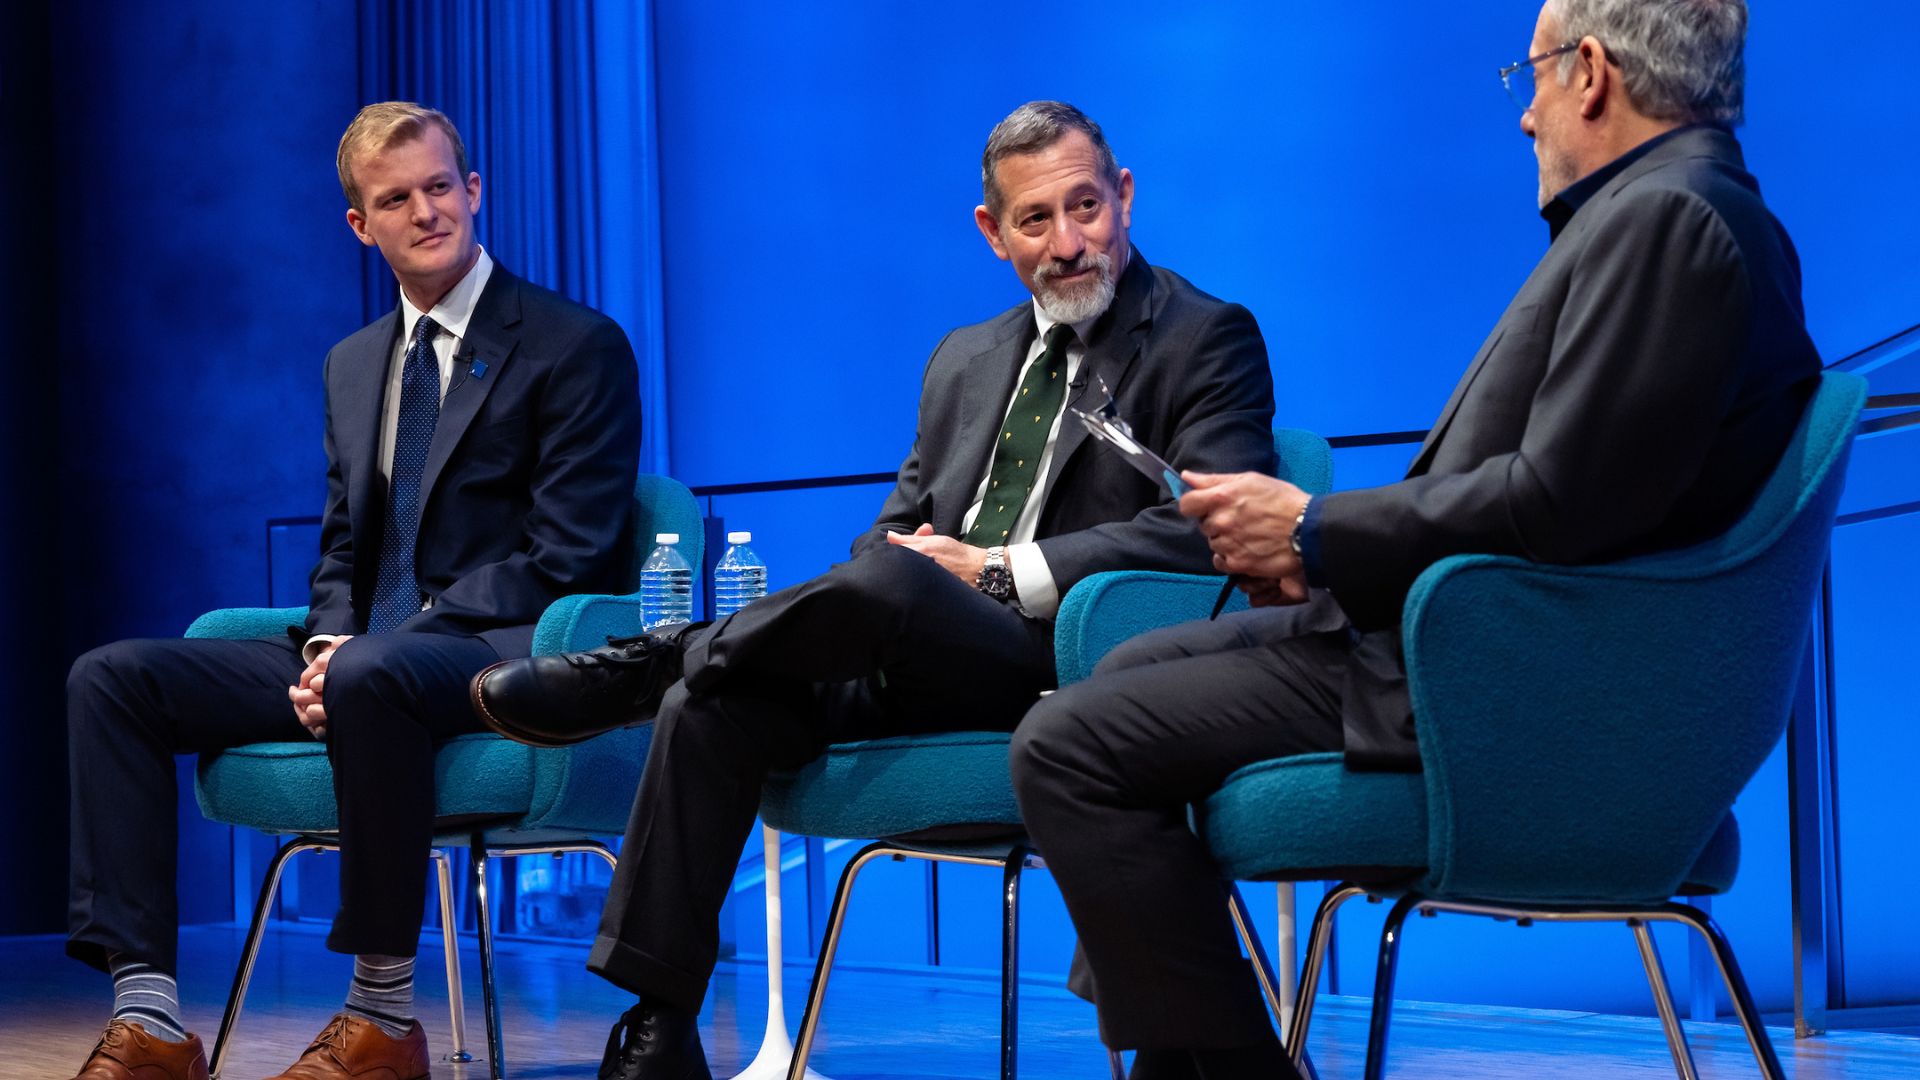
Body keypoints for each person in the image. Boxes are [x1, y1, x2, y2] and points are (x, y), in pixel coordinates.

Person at [1010, 1, 1820, 1076]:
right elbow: (1565, 496)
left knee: (1072, 743)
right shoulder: (1673, 211)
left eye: (1528, 78)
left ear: (1589, 73)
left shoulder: (1674, 220)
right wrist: (1315, 553)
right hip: (1482, 646)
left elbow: (1557, 504)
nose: (1526, 116)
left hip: (1496, 685)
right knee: (1126, 669)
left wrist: (1312, 527)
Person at [470, 100, 1277, 1080]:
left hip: (1059, 663)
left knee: (879, 586)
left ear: (1126, 197)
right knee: (712, 701)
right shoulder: (964, 361)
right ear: (993, 233)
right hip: (907, 644)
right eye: (1036, 220)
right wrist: (909, 571)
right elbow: (886, 537)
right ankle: (658, 1029)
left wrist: (990, 572)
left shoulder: (1206, 337)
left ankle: (650, 659)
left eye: (1087, 208)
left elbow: (1211, 526)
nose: (1069, 243)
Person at [65, 102, 641, 1080]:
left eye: (439, 187)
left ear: (474, 190)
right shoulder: (353, 364)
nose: (425, 211)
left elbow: (570, 553)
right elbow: (343, 549)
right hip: (362, 657)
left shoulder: (573, 345)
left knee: (376, 669)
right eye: (395, 199)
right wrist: (328, 644)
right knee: (111, 678)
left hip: (500, 648)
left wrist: (383, 644)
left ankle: (382, 1018)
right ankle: (151, 1020)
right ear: (359, 224)